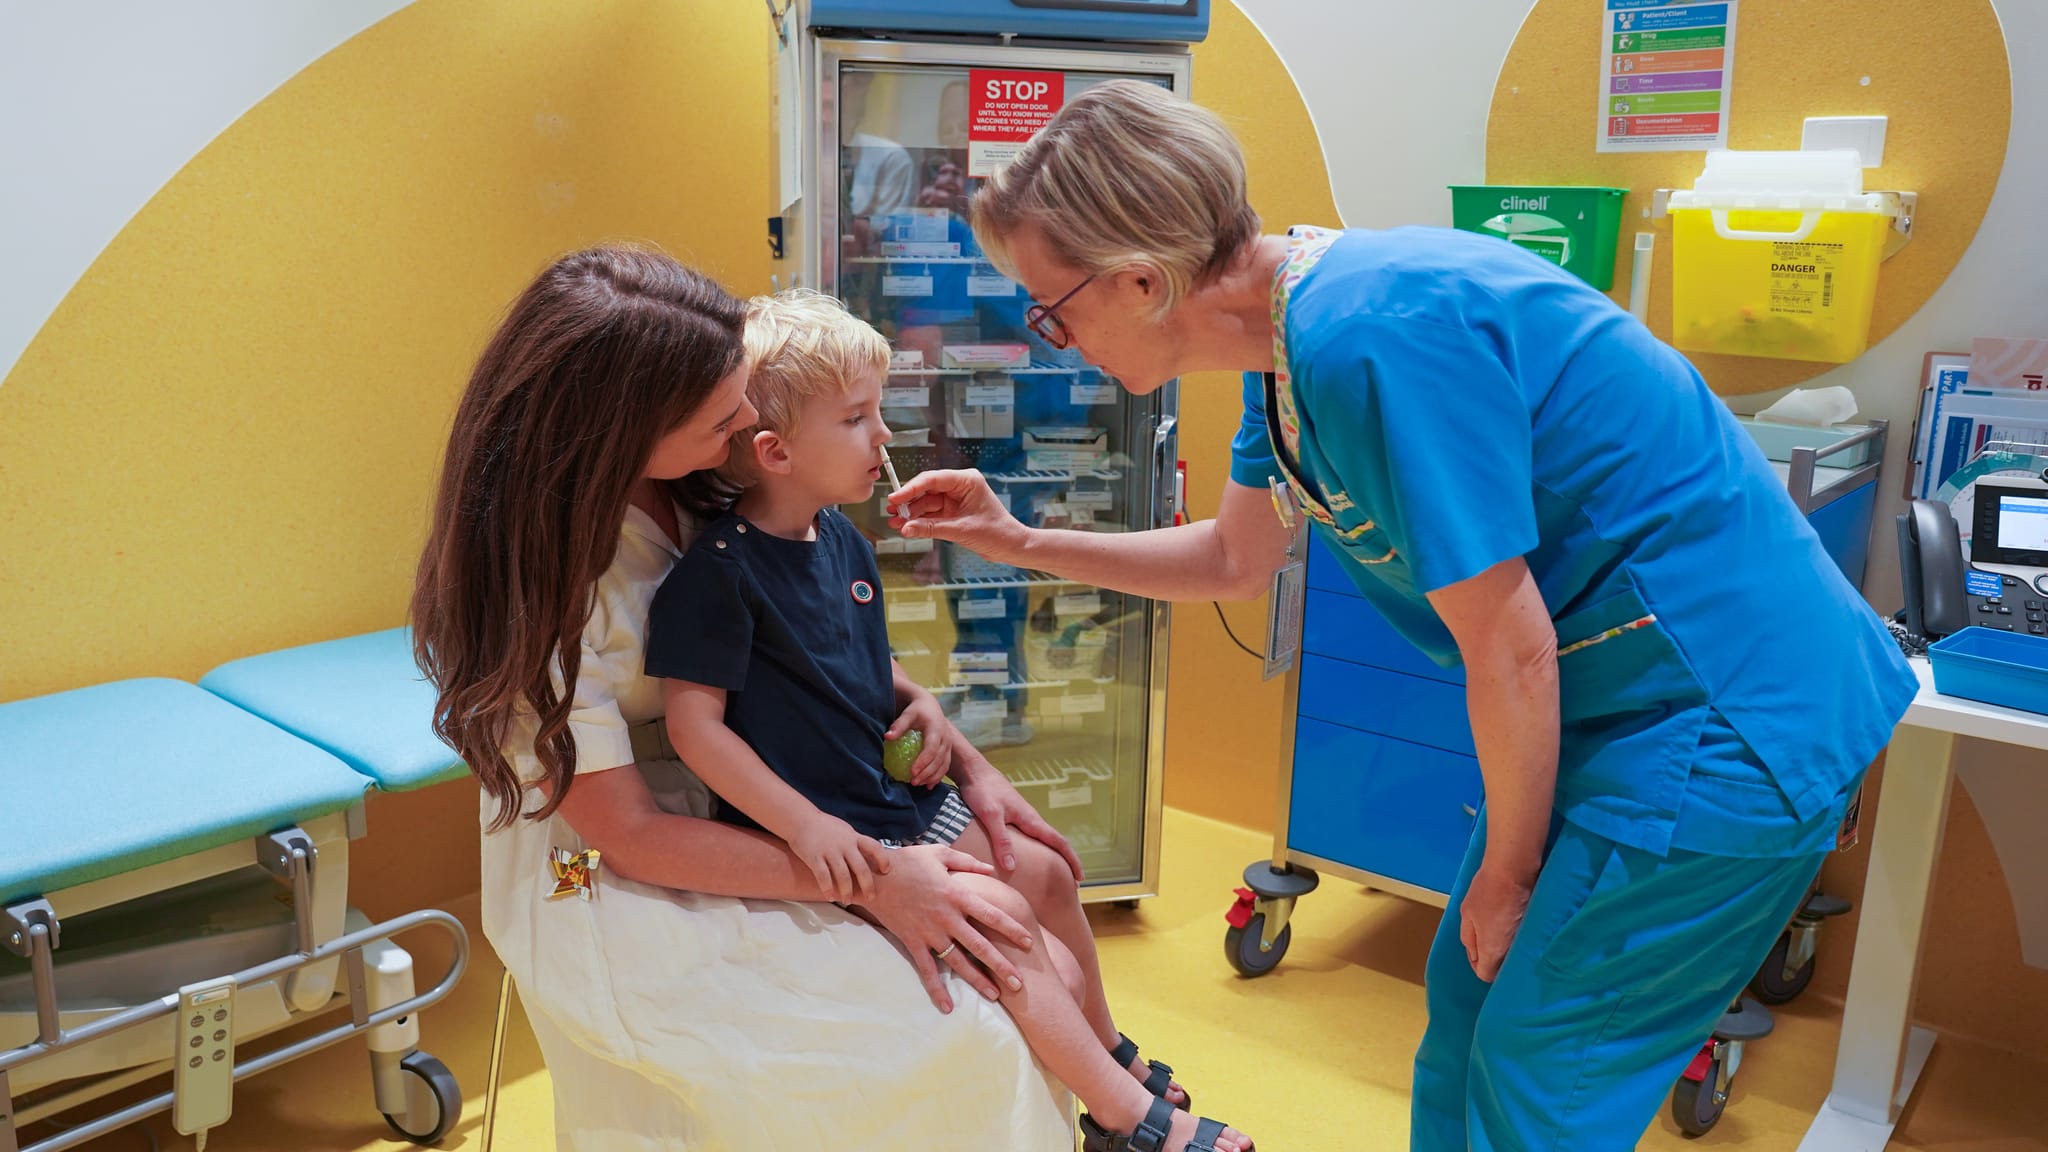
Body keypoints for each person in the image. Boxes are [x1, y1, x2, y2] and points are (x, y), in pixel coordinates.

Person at [886, 80, 1920, 1149]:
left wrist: (1508, 873)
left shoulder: (1370, 335)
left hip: (1724, 712)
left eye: (1050, 310)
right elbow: (1235, 559)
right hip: (1613, 706)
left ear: (1141, 280)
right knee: (1466, 1013)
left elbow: (1510, 647)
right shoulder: (1285, 348)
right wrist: (1016, 540)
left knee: (1542, 1069)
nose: (1054, 340)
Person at [410, 246, 1087, 1149]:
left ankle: (1117, 1101)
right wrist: (876, 880)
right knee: (959, 1034)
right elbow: (631, 834)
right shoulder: (537, 597)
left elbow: (809, 647)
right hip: (602, 853)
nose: (745, 425)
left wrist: (963, 756)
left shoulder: (710, 488)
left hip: (775, 792)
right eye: (722, 415)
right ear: (624, 429)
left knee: (1030, 905)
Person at [647, 289, 1247, 1152]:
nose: (884, 437)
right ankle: (1123, 1115)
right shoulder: (717, 576)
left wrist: (920, 702)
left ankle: (1110, 1050)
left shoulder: (839, 539)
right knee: (1008, 920)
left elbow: (855, 657)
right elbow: (693, 727)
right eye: (856, 419)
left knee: (1046, 874)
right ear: (775, 452)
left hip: (888, 799)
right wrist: (807, 828)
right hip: (829, 830)